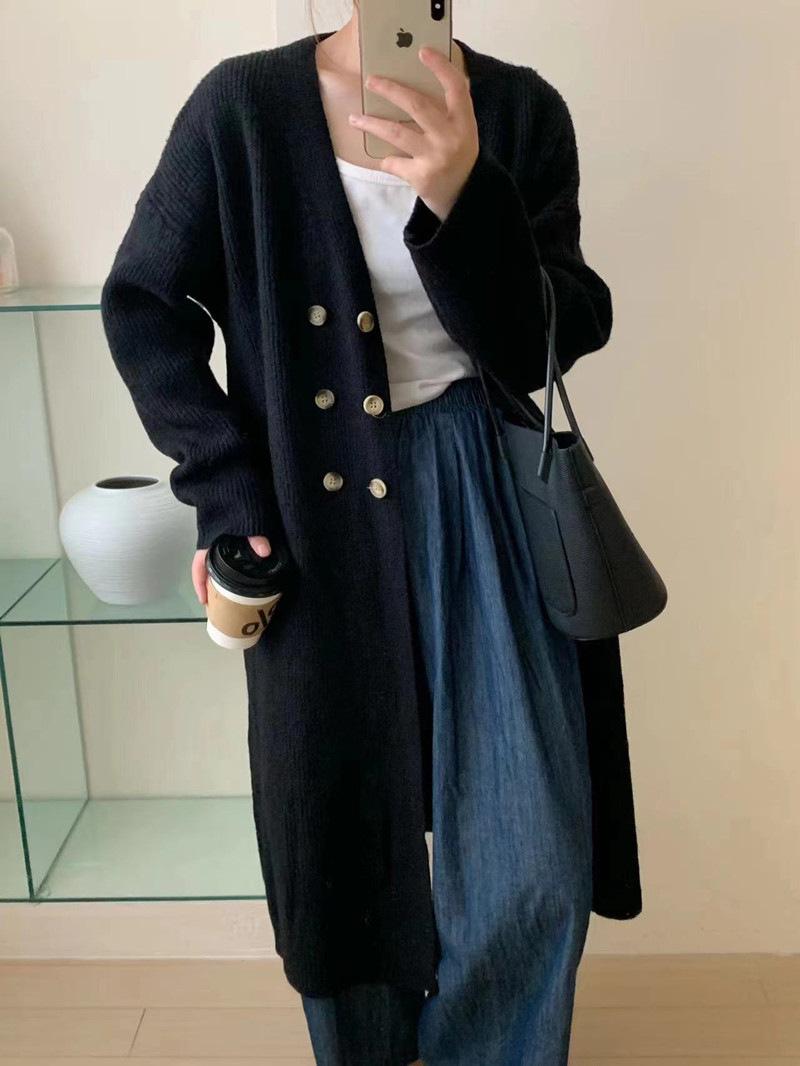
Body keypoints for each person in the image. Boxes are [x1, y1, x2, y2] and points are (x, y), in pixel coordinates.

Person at [101, 4, 642, 1064]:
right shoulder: (242, 110)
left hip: (485, 487)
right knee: (338, 838)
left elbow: (558, 332)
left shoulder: (519, 111)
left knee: (533, 850)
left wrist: (461, 195)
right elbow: (142, 304)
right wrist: (228, 492)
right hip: (313, 504)